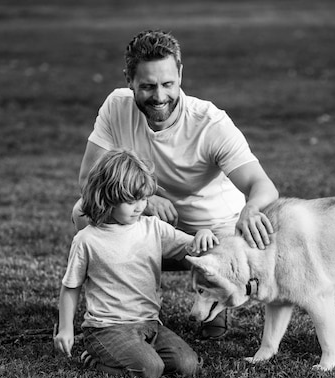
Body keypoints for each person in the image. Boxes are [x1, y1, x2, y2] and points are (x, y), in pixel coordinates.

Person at [72, 29, 279, 339]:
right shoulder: (117, 106)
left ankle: (213, 297)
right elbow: (89, 180)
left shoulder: (210, 123)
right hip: (147, 220)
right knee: (82, 212)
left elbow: (262, 185)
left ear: (180, 74)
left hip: (210, 235)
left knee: (226, 241)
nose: (159, 97)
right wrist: (148, 199)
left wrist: (251, 207)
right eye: (147, 86)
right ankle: (119, 306)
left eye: (168, 84)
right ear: (129, 80)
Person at [54, 150, 217, 378]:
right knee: (150, 369)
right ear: (106, 196)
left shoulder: (153, 227)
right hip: (106, 328)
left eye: (143, 198)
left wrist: (203, 234)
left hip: (150, 324)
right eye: (131, 201)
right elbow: (71, 287)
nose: (140, 206)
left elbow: (192, 246)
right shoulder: (87, 240)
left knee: (188, 365)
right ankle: (96, 360)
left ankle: (135, 354)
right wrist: (66, 328)